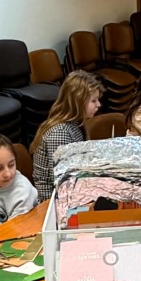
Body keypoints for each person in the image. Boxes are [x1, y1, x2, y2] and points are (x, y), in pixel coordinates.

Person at [29, 70, 104, 202]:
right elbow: (64, 183)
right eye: (93, 101)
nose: (99, 104)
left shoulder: (76, 124)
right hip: (53, 202)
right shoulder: (60, 133)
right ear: (78, 102)